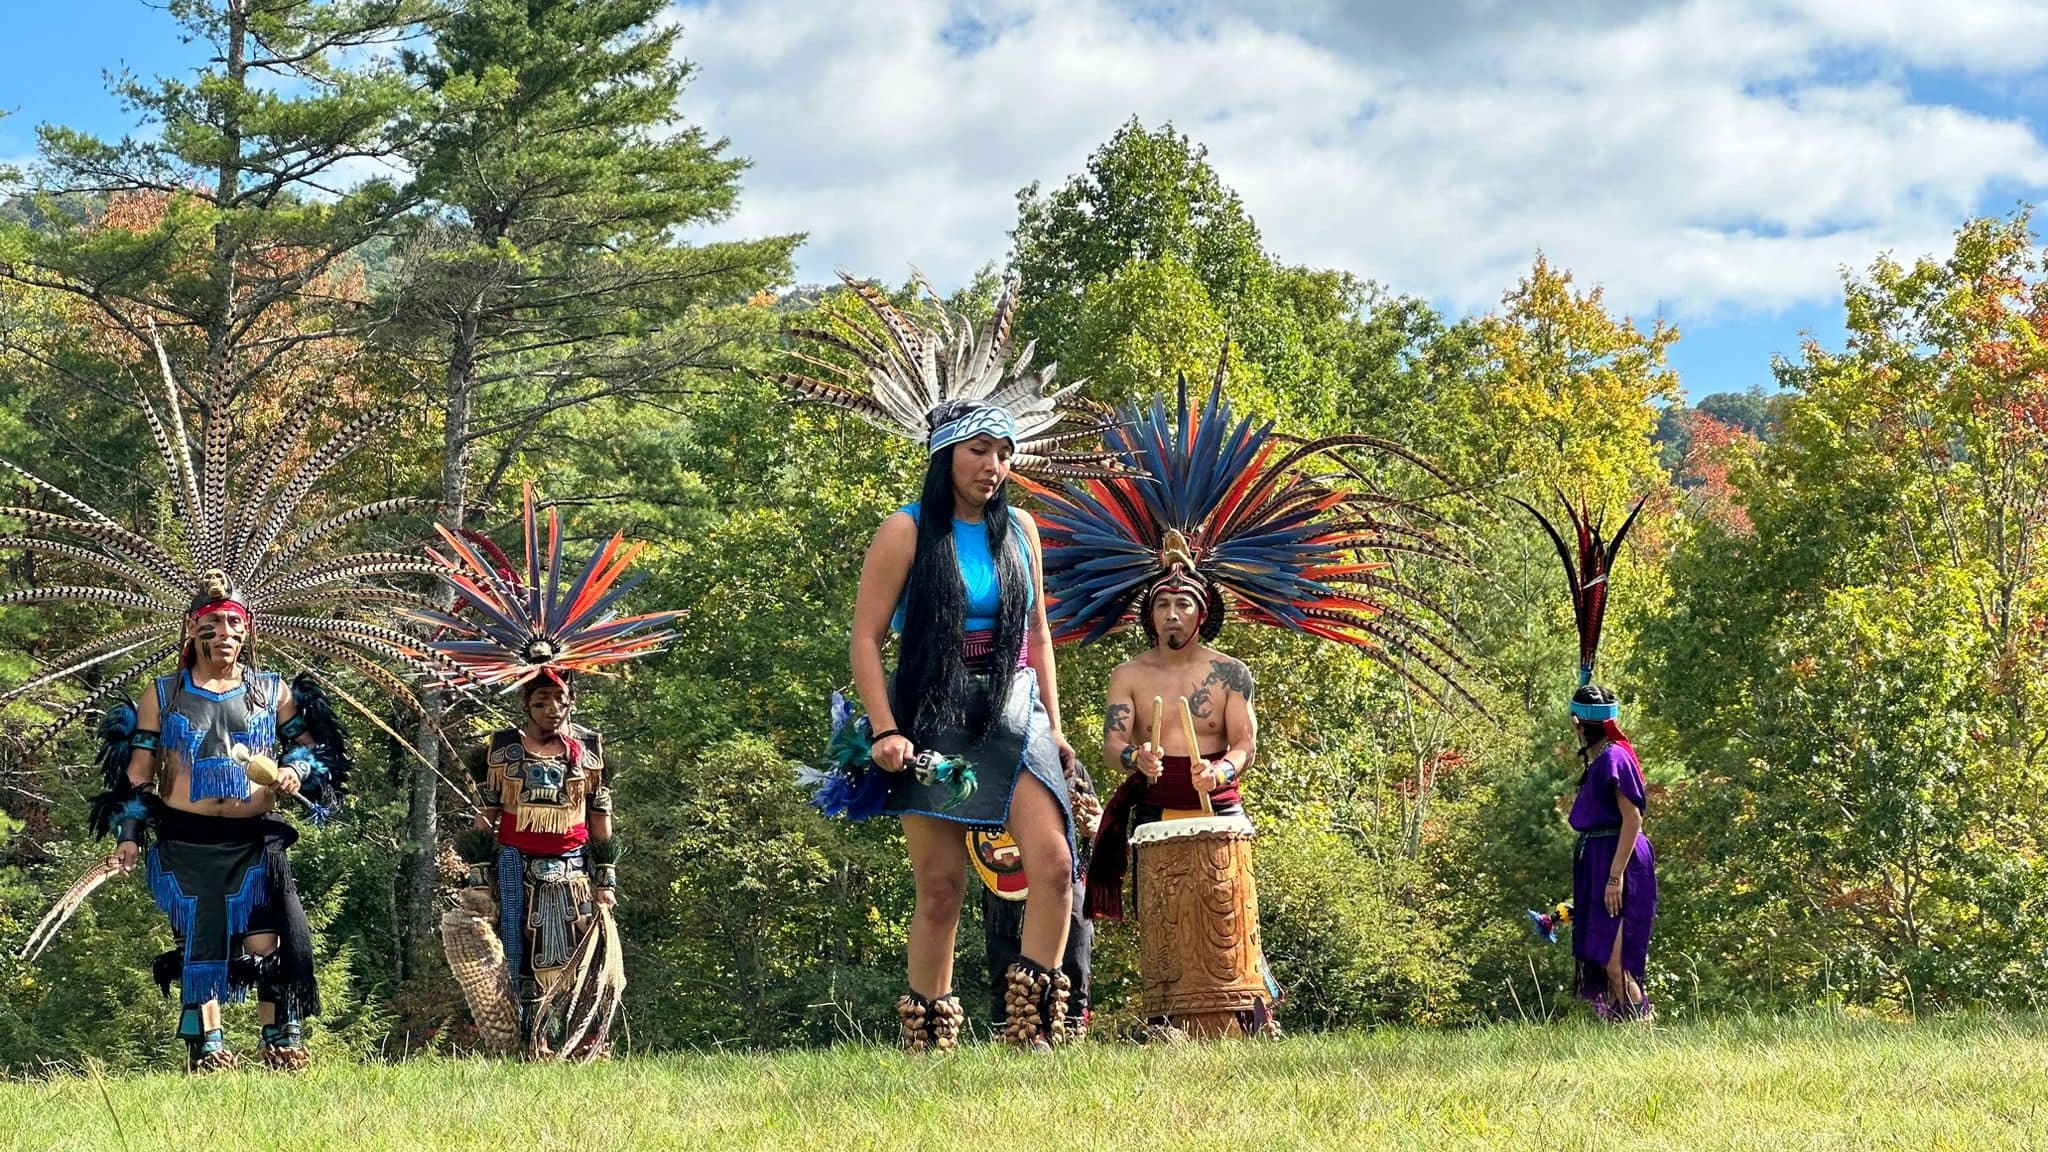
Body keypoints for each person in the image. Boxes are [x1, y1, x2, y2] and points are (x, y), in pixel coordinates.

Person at [6, 343, 444, 1073]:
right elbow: (138, 773)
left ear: (250, 631)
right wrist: (126, 837)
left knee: (274, 935)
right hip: (182, 841)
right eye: (210, 625)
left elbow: (310, 747)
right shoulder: (161, 693)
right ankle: (208, 1049)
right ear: (191, 632)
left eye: (234, 625)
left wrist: (296, 771)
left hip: (256, 835)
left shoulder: (275, 692)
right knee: (203, 939)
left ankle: (282, 1042)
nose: (223, 634)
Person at [1040, 370, 1477, 1037]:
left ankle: (1252, 1010)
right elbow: (1112, 742)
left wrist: (1226, 769)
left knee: (1228, 902)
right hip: (1154, 797)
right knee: (1164, 903)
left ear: (1204, 613)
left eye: (1182, 602)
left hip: (1217, 796)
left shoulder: (1230, 674)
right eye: (1161, 603)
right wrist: (1137, 757)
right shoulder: (1128, 674)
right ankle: (1167, 1015)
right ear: (1147, 613)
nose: (1171, 612)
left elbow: (1244, 743)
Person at [777, 272, 1114, 1052]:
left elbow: (1037, 640)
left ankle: (1035, 1028)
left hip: (1011, 707)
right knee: (940, 891)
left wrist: (1057, 732)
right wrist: (886, 729)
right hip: (929, 711)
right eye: (977, 450)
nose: (992, 465)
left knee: (1057, 865)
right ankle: (928, 1042)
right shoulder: (904, 532)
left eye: (1003, 453)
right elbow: (866, 639)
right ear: (944, 455)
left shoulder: (1021, 531)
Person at [419, 485, 680, 1060]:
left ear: (571, 703)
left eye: (558, 702)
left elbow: (600, 817)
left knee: (570, 956)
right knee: (515, 953)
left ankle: (575, 1045)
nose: (551, 710)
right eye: (539, 703)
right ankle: (520, 1045)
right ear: (526, 706)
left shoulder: (589, 751)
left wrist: (606, 878)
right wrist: (478, 874)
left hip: (569, 868)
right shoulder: (501, 751)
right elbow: (485, 817)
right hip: (515, 865)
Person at [1515, 494, 1656, 1021]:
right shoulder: (1600, 755)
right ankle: (1621, 1031)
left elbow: (1633, 817)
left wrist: (1616, 876)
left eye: (1572, 718)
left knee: (1619, 962)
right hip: (1598, 857)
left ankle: (1640, 1033)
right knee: (1604, 961)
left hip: (1619, 859)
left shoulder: (1616, 758)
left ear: (1582, 720)